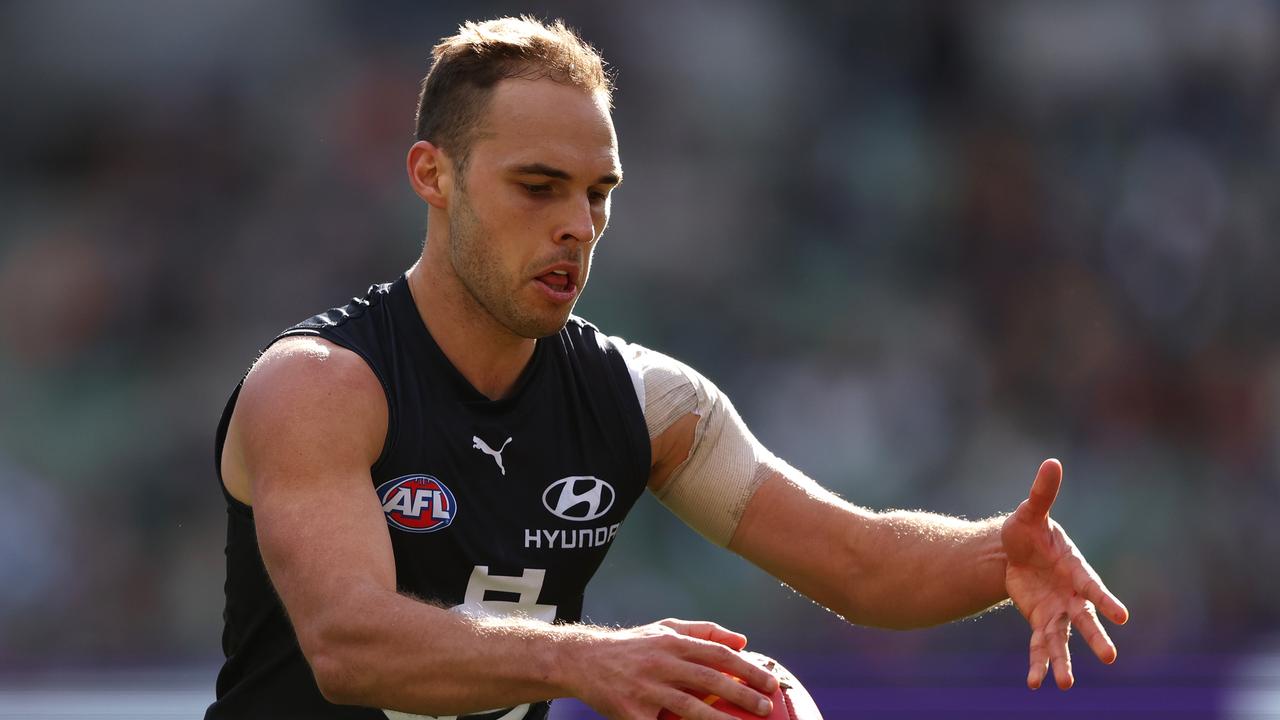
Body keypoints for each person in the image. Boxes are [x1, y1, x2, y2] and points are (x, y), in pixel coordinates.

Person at [205, 16, 1129, 720]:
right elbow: (347, 641)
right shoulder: (320, 384)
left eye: (597, 193)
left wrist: (992, 557)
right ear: (431, 175)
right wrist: (583, 658)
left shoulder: (647, 403)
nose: (577, 224)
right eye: (537, 186)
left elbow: (856, 562)